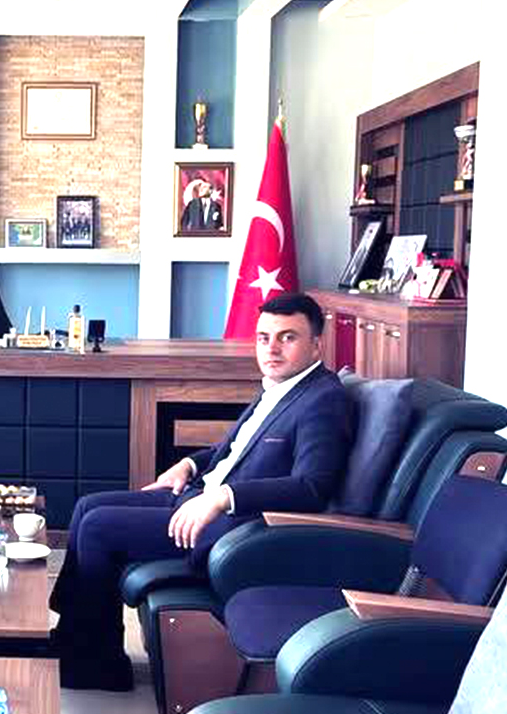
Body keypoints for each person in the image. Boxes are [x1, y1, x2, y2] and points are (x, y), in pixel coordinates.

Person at [48, 292, 356, 691]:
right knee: (89, 505)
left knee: (99, 527)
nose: (272, 349)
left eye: (288, 337)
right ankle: (72, 636)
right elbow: (233, 451)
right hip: (198, 496)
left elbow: (312, 487)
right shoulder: (281, 388)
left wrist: (224, 497)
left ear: (316, 344)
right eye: (264, 338)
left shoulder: (323, 400)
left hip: (232, 525)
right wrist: (189, 465)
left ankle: (97, 664)